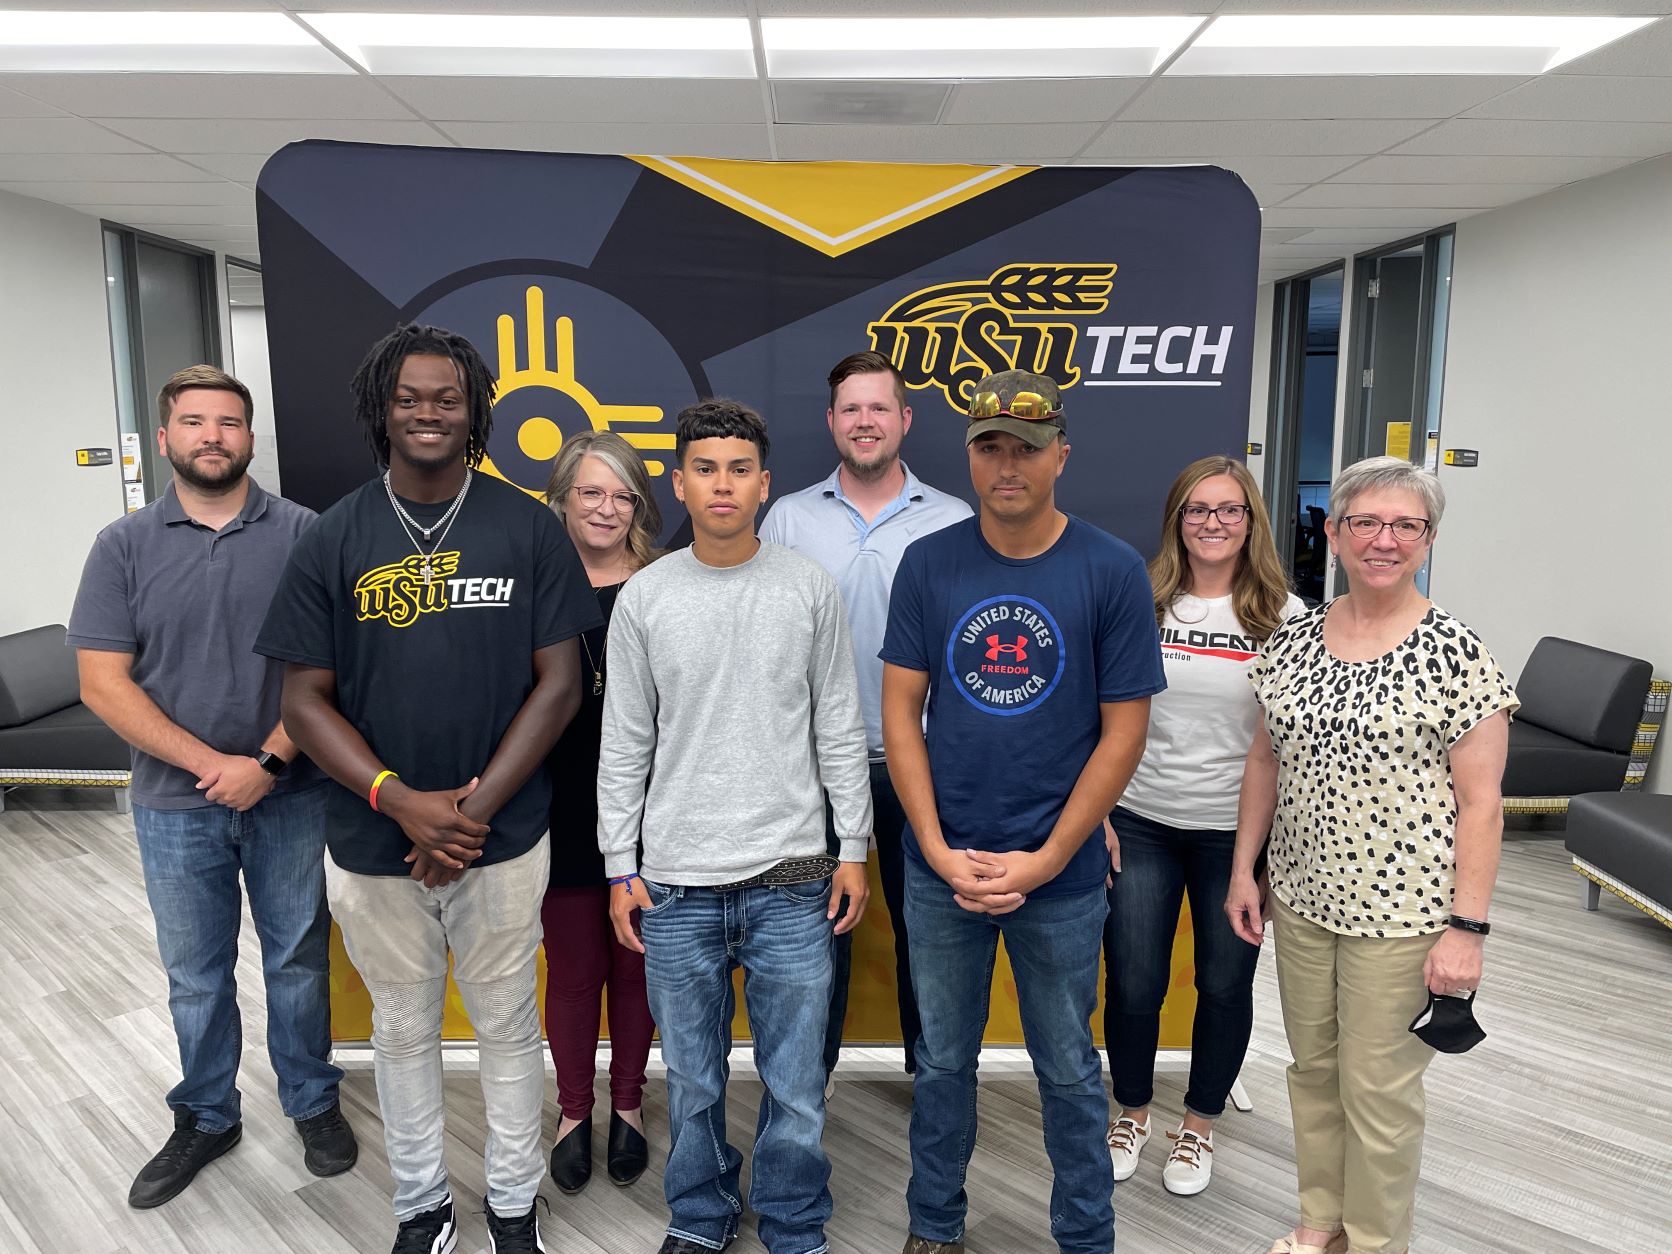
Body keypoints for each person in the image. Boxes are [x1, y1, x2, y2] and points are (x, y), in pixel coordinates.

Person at [255, 325, 600, 1254]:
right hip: (373, 843)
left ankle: (515, 1206)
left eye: (446, 396)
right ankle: (421, 1207)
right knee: (402, 1033)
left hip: (505, 837)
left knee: (505, 1025)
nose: (427, 412)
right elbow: (302, 697)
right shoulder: (335, 536)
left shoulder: (527, 525)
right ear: (382, 408)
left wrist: (470, 812)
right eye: (409, 397)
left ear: (474, 407)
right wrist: (402, 801)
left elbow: (561, 683)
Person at [881, 370, 1165, 1254]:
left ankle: (1085, 1236)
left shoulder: (1111, 568)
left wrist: (1045, 859)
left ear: (1061, 457)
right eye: (991, 446)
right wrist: (932, 845)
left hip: (1064, 875)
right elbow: (900, 713)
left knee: (1071, 1069)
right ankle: (935, 1226)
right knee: (941, 1064)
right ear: (969, 455)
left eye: (1027, 448)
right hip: (943, 870)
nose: (1008, 465)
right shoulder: (929, 561)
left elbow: (1124, 735)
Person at [69, 364, 357, 1210]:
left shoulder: (306, 532)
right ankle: (205, 1115)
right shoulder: (121, 546)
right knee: (195, 973)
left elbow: (331, 666)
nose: (212, 437)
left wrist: (265, 764)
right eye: (193, 423)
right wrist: (211, 767)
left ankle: (311, 1100)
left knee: (299, 961)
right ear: (165, 438)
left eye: (228, 423)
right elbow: (102, 681)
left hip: (290, 793)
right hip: (173, 805)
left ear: (251, 439)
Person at [598, 399, 873, 1254]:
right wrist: (619, 864)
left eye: (739, 469)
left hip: (794, 878)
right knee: (692, 1079)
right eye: (706, 469)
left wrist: (854, 849)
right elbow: (626, 742)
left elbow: (838, 723)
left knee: (795, 1083)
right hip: (676, 883)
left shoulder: (806, 588)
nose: (723, 485)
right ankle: (702, 1214)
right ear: (678, 483)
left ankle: (793, 1220)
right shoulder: (645, 596)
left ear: (765, 484)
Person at [1225, 456, 1517, 1254]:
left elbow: (1482, 804)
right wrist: (1244, 870)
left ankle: (1376, 1240)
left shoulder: (1457, 653)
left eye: (1405, 526)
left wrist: (1468, 930)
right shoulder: (1293, 639)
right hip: (1301, 899)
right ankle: (1322, 1220)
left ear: (1427, 541)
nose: (1383, 540)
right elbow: (1264, 759)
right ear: (1334, 530)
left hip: (1403, 915)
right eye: (1365, 521)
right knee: (1313, 1073)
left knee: (1380, 1091)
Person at [759, 350, 971, 1087]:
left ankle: (934, 1083)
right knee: (811, 934)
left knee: (930, 931)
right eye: (851, 409)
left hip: (924, 768)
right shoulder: (787, 517)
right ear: (830, 423)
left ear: (905, 419)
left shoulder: (954, 519)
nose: (865, 421)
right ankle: (804, 1090)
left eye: (879, 407)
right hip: (812, 776)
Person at [1102, 455, 1305, 1197]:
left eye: (1228, 510)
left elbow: (1292, 746)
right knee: (1133, 983)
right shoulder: (1139, 602)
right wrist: (1097, 815)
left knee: (1224, 986)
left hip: (1237, 839)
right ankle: (1130, 1113)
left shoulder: (1288, 618)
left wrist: (1266, 860)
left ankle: (1199, 1127)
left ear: (1251, 521)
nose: (1212, 523)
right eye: (1196, 509)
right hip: (1141, 822)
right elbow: (1099, 715)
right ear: (1176, 521)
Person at [539, 431, 660, 1194]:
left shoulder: (665, 586)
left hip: (653, 815)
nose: (607, 508)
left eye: (622, 495)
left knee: (638, 970)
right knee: (576, 972)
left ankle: (630, 1106)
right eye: (591, 491)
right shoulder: (533, 587)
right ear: (562, 498)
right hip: (556, 808)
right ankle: (574, 1113)